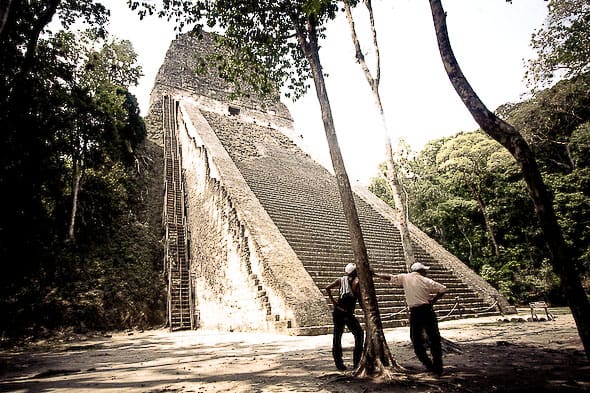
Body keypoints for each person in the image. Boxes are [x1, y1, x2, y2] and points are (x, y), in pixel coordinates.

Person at [374, 262, 447, 374]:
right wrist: (433, 301)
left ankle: (427, 363)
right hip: (427, 310)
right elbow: (443, 289)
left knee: (415, 339)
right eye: (424, 270)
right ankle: (438, 366)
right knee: (434, 338)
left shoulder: (405, 278)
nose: (426, 272)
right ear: (421, 271)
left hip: (415, 312)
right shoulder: (426, 280)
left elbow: (389, 277)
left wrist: (375, 274)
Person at [325, 262, 364, 371]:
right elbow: (360, 299)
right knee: (359, 334)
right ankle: (357, 361)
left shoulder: (341, 280)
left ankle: (339, 362)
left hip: (338, 311)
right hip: (345, 313)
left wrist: (333, 302)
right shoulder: (356, 283)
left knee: (337, 336)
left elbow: (327, 288)